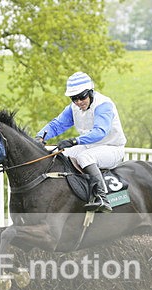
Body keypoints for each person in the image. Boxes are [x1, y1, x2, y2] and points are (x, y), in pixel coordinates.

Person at [35, 71, 127, 213]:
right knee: (59, 153)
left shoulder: (103, 104)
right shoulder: (73, 108)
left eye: (82, 97)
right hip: (89, 146)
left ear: (90, 92)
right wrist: (40, 137)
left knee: (85, 157)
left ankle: (102, 198)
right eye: (74, 98)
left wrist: (74, 140)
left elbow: (100, 131)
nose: (78, 102)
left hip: (112, 148)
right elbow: (57, 125)